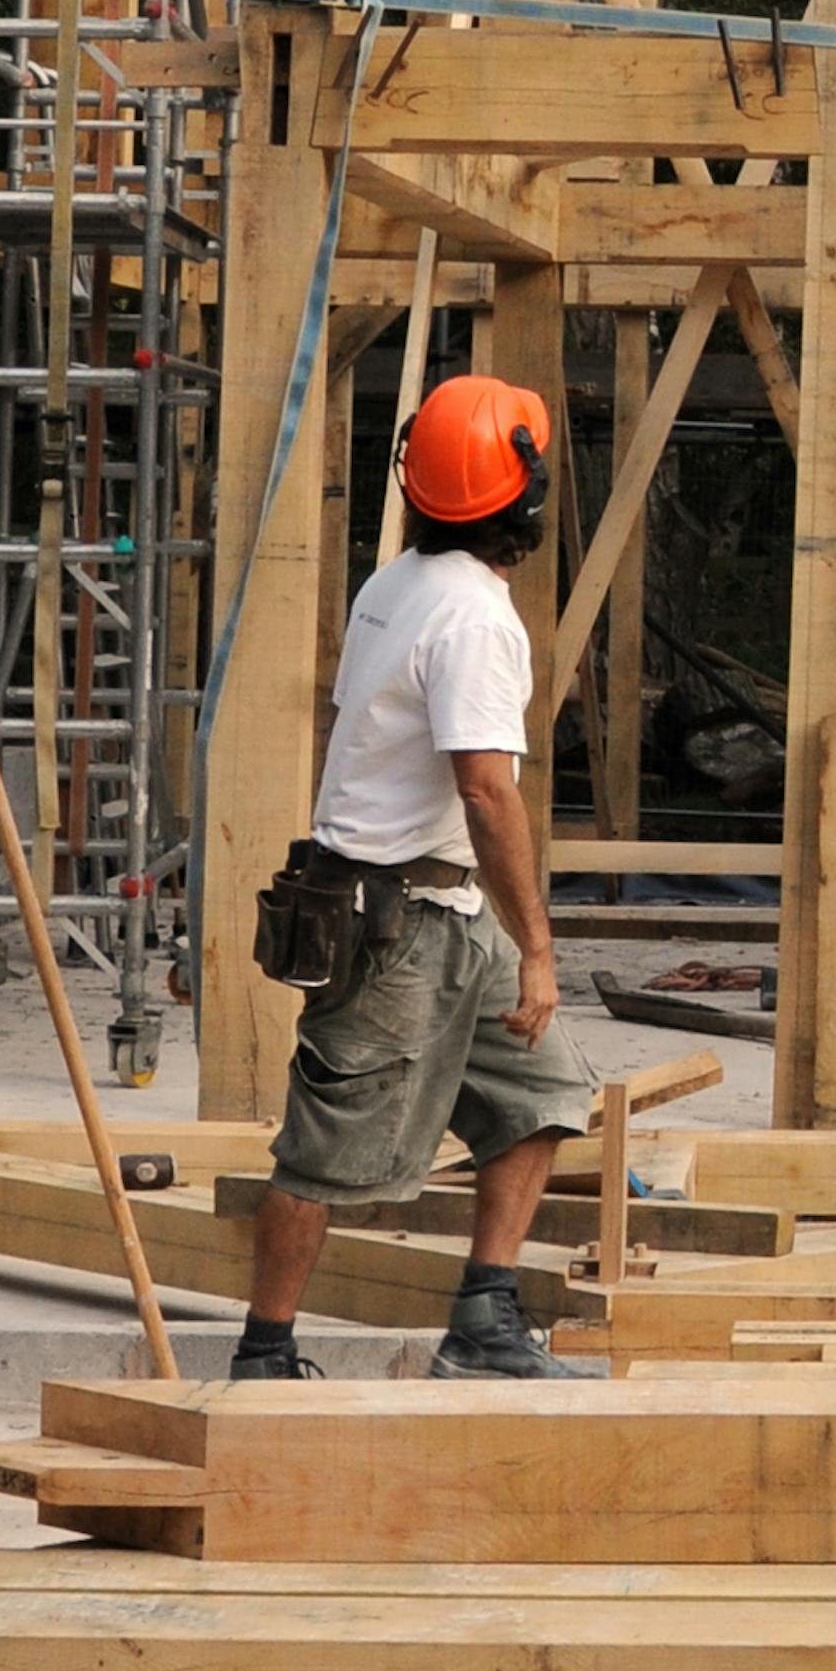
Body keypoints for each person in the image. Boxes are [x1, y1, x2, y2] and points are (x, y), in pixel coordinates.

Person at [234, 373, 599, 1383]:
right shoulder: (474, 620)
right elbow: (487, 793)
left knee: (546, 1094)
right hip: (399, 924)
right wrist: (539, 948)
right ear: (522, 498)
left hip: (433, 906)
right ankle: (265, 1354)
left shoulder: (394, 584)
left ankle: (482, 1321)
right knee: (325, 1150)